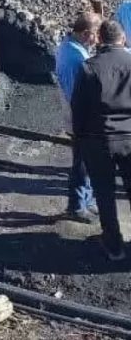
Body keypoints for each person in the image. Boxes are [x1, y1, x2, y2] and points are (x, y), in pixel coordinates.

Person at [71, 19, 131, 261]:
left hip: (99, 139)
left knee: (104, 194)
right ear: (123, 39)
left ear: (100, 39)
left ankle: (114, 245)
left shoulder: (89, 68)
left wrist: (79, 139)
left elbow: (79, 109)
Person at [56, 12, 101, 222]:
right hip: (81, 120)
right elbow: (77, 95)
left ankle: (86, 200)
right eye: (95, 35)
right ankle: (76, 206)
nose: (98, 39)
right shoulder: (77, 58)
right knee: (82, 164)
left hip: (77, 118)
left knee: (87, 162)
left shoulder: (69, 48)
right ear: (85, 34)